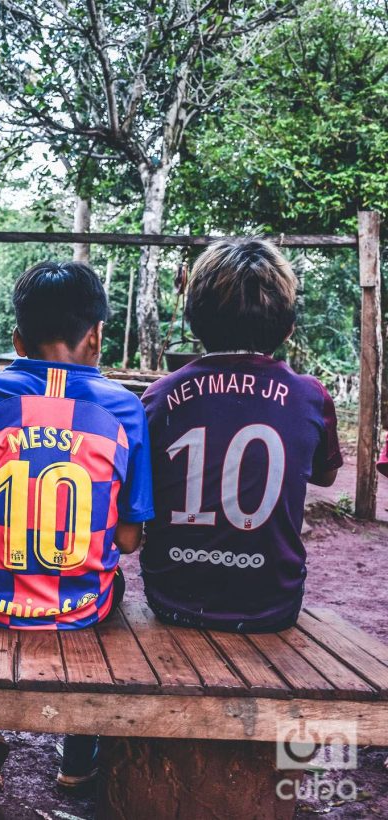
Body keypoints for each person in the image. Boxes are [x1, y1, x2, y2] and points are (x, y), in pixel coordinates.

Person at [0, 262, 154, 805]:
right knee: (114, 596)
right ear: (96, 336)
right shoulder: (125, 408)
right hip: (82, 606)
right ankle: (78, 760)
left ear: (17, 339)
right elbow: (126, 542)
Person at [141, 238, 341, 634]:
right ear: (288, 329)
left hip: (172, 599)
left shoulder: (160, 397)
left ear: (194, 324)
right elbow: (325, 476)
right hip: (272, 607)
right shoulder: (310, 397)